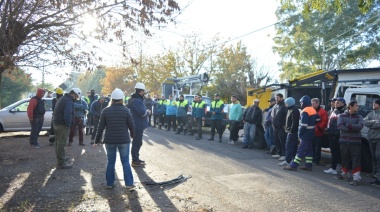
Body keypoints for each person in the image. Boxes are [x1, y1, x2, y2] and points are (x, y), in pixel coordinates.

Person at [93, 88, 136, 190]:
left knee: (110, 162)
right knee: (125, 161)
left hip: (110, 140)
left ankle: (109, 183)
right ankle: (129, 184)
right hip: (124, 140)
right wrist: (133, 136)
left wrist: (96, 141)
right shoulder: (126, 111)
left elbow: (100, 127)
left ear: (112, 99)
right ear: (122, 99)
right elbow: (132, 126)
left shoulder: (105, 111)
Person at [334, 100, 364, 186]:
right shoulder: (341, 116)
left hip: (356, 142)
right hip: (343, 141)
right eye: (356, 105)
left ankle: (356, 178)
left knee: (356, 160)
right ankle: (345, 174)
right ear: (350, 106)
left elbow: (360, 126)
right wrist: (352, 128)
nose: (358, 107)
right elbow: (340, 126)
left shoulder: (360, 116)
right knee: (344, 158)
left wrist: (348, 125)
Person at [284, 95, 316, 171]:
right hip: (311, 133)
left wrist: (300, 134)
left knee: (301, 150)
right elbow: (318, 119)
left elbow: (303, 125)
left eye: (301, 103)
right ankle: (308, 165)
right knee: (309, 150)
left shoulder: (305, 111)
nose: (301, 104)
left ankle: (293, 165)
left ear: (304, 103)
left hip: (305, 133)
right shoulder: (313, 109)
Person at [53, 88, 81, 169]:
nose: (76, 98)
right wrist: (69, 124)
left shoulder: (62, 98)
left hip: (56, 123)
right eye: (76, 97)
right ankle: (61, 162)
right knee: (62, 143)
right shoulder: (68, 101)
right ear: (74, 94)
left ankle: (60, 157)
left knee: (58, 142)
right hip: (62, 125)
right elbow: (67, 114)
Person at [127, 82, 151, 167]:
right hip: (138, 125)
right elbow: (142, 113)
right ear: (140, 91)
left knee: (137, 142)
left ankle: (136, 158)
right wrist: (148, 112)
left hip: (136, 124)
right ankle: (135, 160)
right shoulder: (137, 101)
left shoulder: (135, 100)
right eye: (143, 91)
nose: (144, 93)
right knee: (137, 143)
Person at [324, 97, 346, 174]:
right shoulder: (334, 111)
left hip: (339, 135)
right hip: (331, 135)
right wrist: (328, 129)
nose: (336, 103)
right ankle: (333, 168)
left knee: (340, 153)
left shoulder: (344, 112)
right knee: (333, 152)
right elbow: (330, 122)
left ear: (343, 103)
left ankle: (339, 169)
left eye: (338, 102)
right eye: (336, 102)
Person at [279, 97, 299, 166]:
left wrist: (291, 130)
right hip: (290, 131)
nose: (285, 105)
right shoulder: (290, 110)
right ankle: (291, 160)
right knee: (291, 147)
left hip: (292, 133)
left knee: (289, 146)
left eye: (286, 104)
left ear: (289, 103)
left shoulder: (294, 111)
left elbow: (294, 122)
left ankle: (288, 161)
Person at [364, 99, 380, 186]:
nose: (373, 104)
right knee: (373, 157)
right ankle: (374, 173)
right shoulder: (371, 113)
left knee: (378, 157)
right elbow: (365, 122)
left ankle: (379, 176)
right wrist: (374, 122)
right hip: (371, 138)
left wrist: (371, 123)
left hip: (378, 139)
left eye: (375, 103)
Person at [311, 98, 328, 165]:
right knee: (312, 147)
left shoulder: (323, 112)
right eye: (311, 103)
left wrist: (318, 128)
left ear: (317, 103)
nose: (312, 105)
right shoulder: (311, 110)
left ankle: (316, 160)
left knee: (317, 148)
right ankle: (312, 159)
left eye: (313, 103)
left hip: (318, 133)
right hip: (312, 132)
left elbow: (324, 122)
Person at [271, 93, 287, 160]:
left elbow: (287, 117)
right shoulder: (275, 106)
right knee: (276, 140)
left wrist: (285, 125)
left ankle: (284, 154)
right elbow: (272, 115)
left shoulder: (284, 106)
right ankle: (279, 153)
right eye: (276, 98)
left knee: (282, 141)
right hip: (275, 126)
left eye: (277, 98)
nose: (276, 99)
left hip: (281, 127)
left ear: (281, 98)